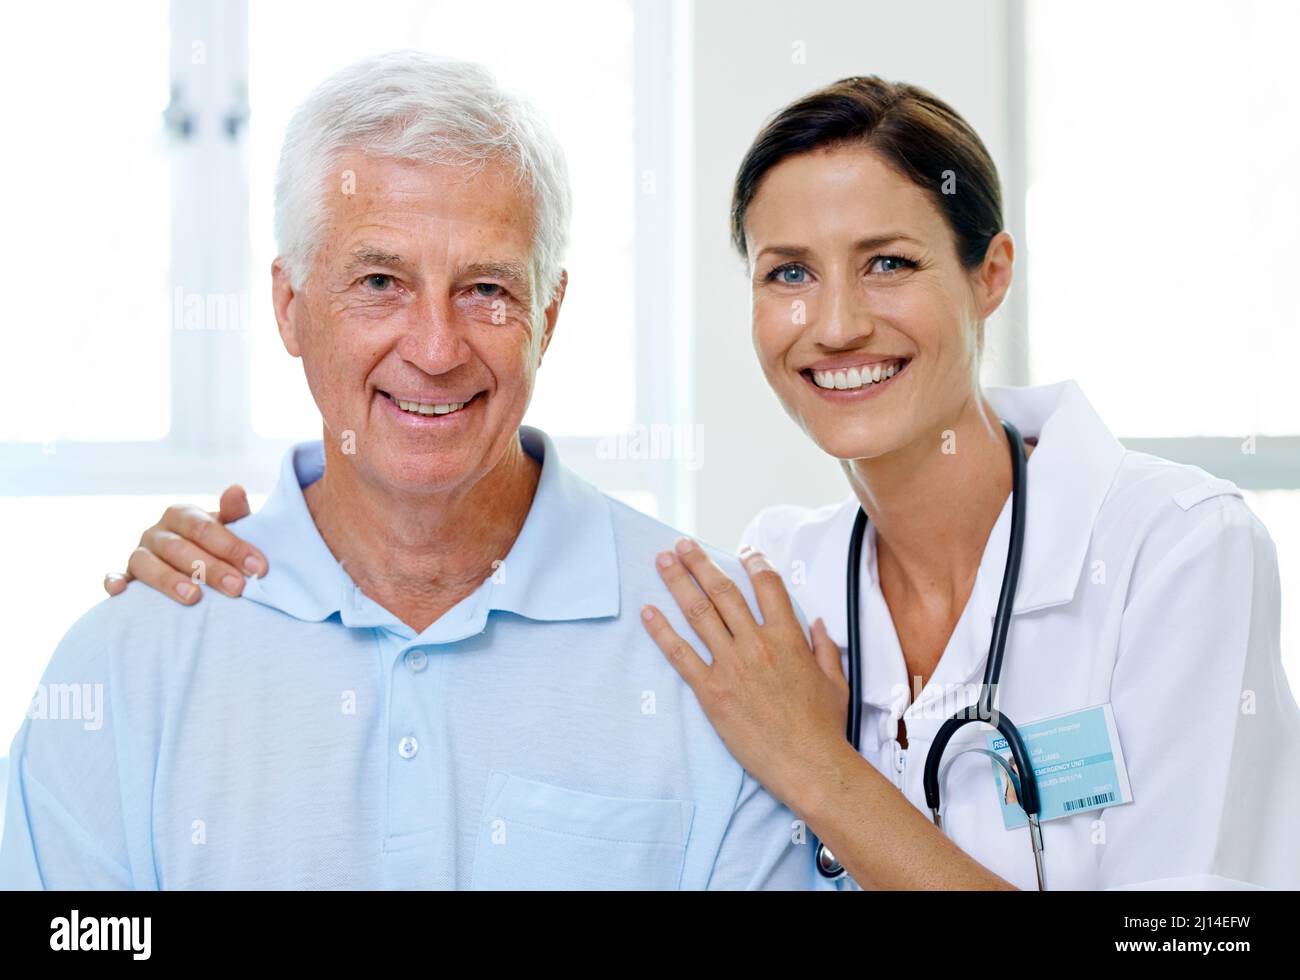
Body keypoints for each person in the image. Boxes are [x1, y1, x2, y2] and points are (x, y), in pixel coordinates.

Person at [97, 77, 1300, 890]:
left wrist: (822, 775)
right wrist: (231, 562)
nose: (833, 322)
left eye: (887, 262)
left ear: (988, 274)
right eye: (786, 271)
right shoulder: (770, 577)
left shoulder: (1176, 551)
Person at [0, 51, 827, 891]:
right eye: (380, 280)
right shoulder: (134, 656)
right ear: (290, 306)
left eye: (486, 289)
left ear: (548, 311)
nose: (435, 349)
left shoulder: (723, 659)